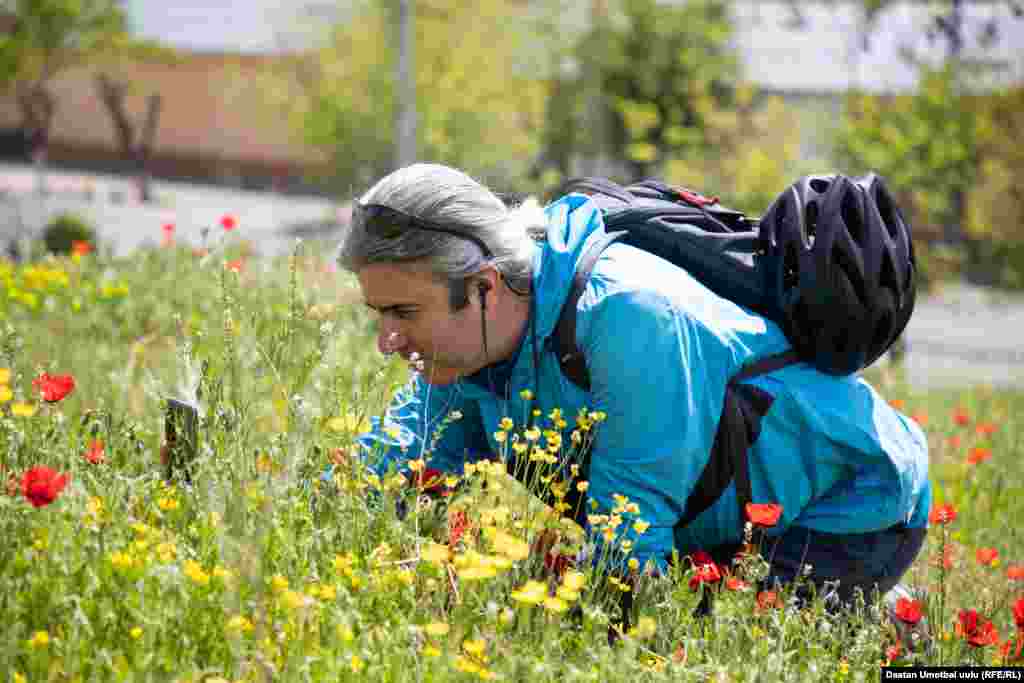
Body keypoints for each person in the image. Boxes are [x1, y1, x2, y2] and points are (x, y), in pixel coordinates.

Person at [332, 162, 931, 609]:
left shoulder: (628, 318)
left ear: (486, 287)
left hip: (849, 502)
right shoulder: (467, 350)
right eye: (377, 314)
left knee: (715, 642)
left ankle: (903, 633)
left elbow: (627, 551)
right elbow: (388, 465)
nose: (386, 340)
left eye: (403, 313)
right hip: (728, 515)